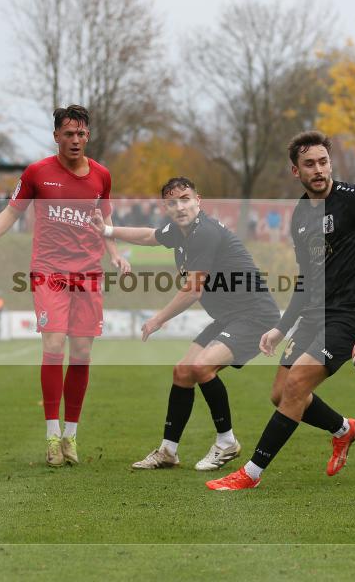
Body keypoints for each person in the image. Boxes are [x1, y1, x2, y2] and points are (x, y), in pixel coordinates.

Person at [206, 130, 355, 491]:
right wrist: (282, 328)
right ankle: (344, 429)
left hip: (351, 316)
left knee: (297, 385)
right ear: (295, 171)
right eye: (309, 164)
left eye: (323, 162)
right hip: (314, 314)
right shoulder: (300, 215)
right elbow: (306, 279)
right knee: (280, 395)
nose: (318, 170)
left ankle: (250, 474)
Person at [0, 105, 130, 467]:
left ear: (88, 136)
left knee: (81, 352)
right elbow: (11, 212)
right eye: (69, 134)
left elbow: (106, 220)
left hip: (88, 274)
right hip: (49, 271)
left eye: (82, 134)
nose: (76, 140)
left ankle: (71, 436)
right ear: (56, 136)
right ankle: (52, 434)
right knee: (53, 343)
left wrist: (115, 254)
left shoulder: (102, 175)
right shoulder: (37, 172)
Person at [90, 177, 280, 471]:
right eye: (172, 202)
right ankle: (168, 451)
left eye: (185, 198)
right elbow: (148, 236)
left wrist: (157, 319)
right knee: (183, 371)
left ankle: (227, 442)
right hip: (230, 317)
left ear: (198, 200)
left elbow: (193, 289)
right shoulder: (180, 231)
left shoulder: (204, 232)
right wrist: (107, 230)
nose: (180, 206)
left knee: (201, 367)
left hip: (255, 316)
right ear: (166, 208)